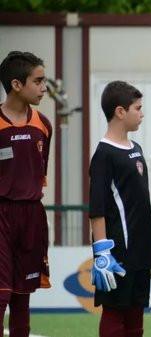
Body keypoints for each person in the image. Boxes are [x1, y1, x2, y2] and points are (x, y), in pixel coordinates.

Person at [88, 80, 151, 337]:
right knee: (115, 313)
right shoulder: (104, 155)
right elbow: (98, 208)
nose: (142, 113)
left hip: (141, 250)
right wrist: (102, 252)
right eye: (137, 108)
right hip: (118, 253)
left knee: (136, 315)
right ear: (120, 111)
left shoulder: (136, 149)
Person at [0, 51, 52, 337]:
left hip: (31, 215)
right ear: (17, 84)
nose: (44, 87)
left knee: (22, 296)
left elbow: (39, 172)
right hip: (1, 215)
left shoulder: (44, 124)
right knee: (1, 296)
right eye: (38, 81)